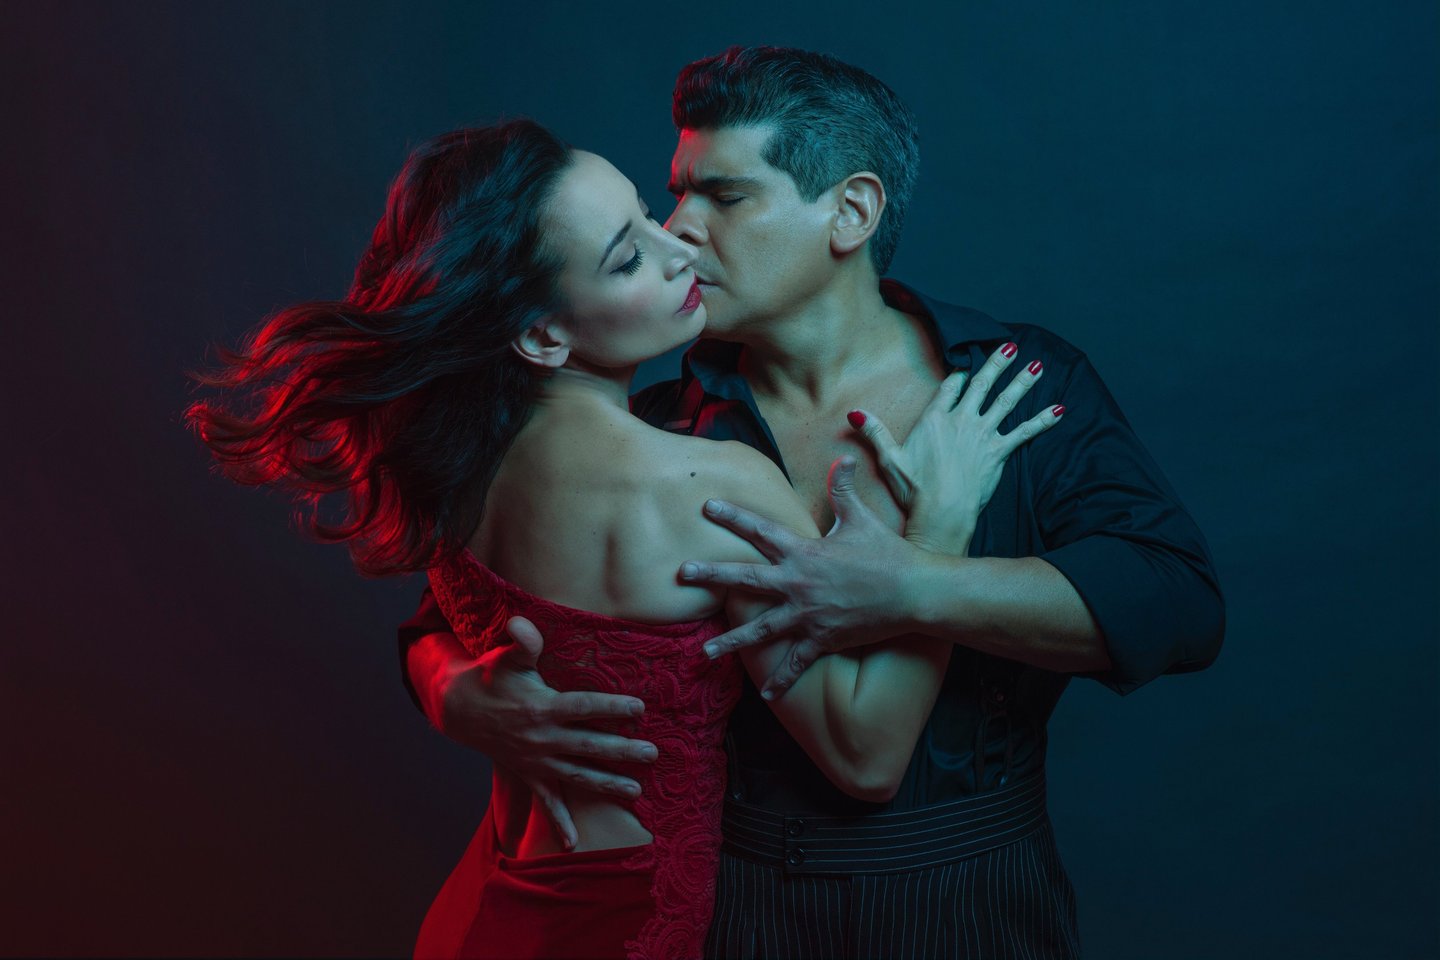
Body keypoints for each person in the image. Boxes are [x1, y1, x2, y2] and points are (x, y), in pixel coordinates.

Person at [400, 46, 1225, 959]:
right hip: (729, 912)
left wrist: (917, 586)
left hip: (966, 902)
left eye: (726, 196)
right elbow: (452, 616)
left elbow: (1177, 602)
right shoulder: (663, 427)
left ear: (852, 211)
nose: (681, 227)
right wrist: (453, 696)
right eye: (674, 195)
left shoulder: (1011, 387)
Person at [188, 120, 1058, 959]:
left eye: (646, 212)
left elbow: (451, 633)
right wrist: (941, 524)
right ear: (540, 333)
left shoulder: (453, 468)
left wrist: (451, 686)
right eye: (629, 255)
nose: (681, 247)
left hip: (486, 905)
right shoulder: (713, 486)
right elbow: (865, 755)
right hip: (619, 928)